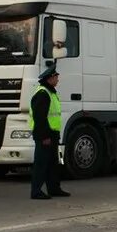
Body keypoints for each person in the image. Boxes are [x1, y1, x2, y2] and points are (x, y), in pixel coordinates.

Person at [29, 66, 71, 200]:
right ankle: (36, 191)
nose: (58, 80)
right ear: (50, 78)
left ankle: (54, 188)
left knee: (54, 163)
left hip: (52, 134)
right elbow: (39, 117)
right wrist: (44, 136)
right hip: (44, 135)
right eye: (56, 77)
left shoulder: (50, 92)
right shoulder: (43, 94)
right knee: (41, 164)